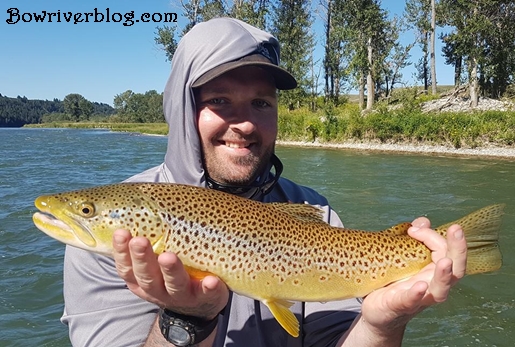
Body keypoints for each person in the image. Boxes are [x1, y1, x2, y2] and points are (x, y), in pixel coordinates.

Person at [61, 17, 467, 347]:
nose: (244, 123)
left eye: (261, 102)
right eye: (219, 100)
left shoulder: (316, 212)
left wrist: (382, 325)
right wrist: (189, 320)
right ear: (182, 111)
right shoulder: (105, 246)